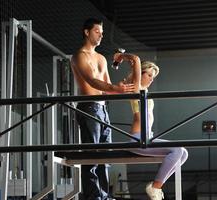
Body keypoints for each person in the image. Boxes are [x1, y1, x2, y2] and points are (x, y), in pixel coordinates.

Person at [71, 17, 137, 200]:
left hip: (103, 109)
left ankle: (104, 196)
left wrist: (126, 82)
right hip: (88, 107)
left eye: (102, 32)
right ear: (87, 32)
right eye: (97, 31)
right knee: (91, 156)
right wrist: (116, 88)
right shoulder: (79, 56)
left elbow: (107, 87)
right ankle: (94, 197)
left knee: (105, 157)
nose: (101, 35)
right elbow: (92, 81)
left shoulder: (101, 58)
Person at [113, 53, 188, 200]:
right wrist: (121, 56)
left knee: (183, 153)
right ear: (140, 74)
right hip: (137, 139)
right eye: (149, 75)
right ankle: (155, 187)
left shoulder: (145, 92)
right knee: (177, 150)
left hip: (147, 137)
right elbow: (135, 59)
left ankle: (156, 187)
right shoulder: (136, 88)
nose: (152, 79)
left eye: (154, 77)